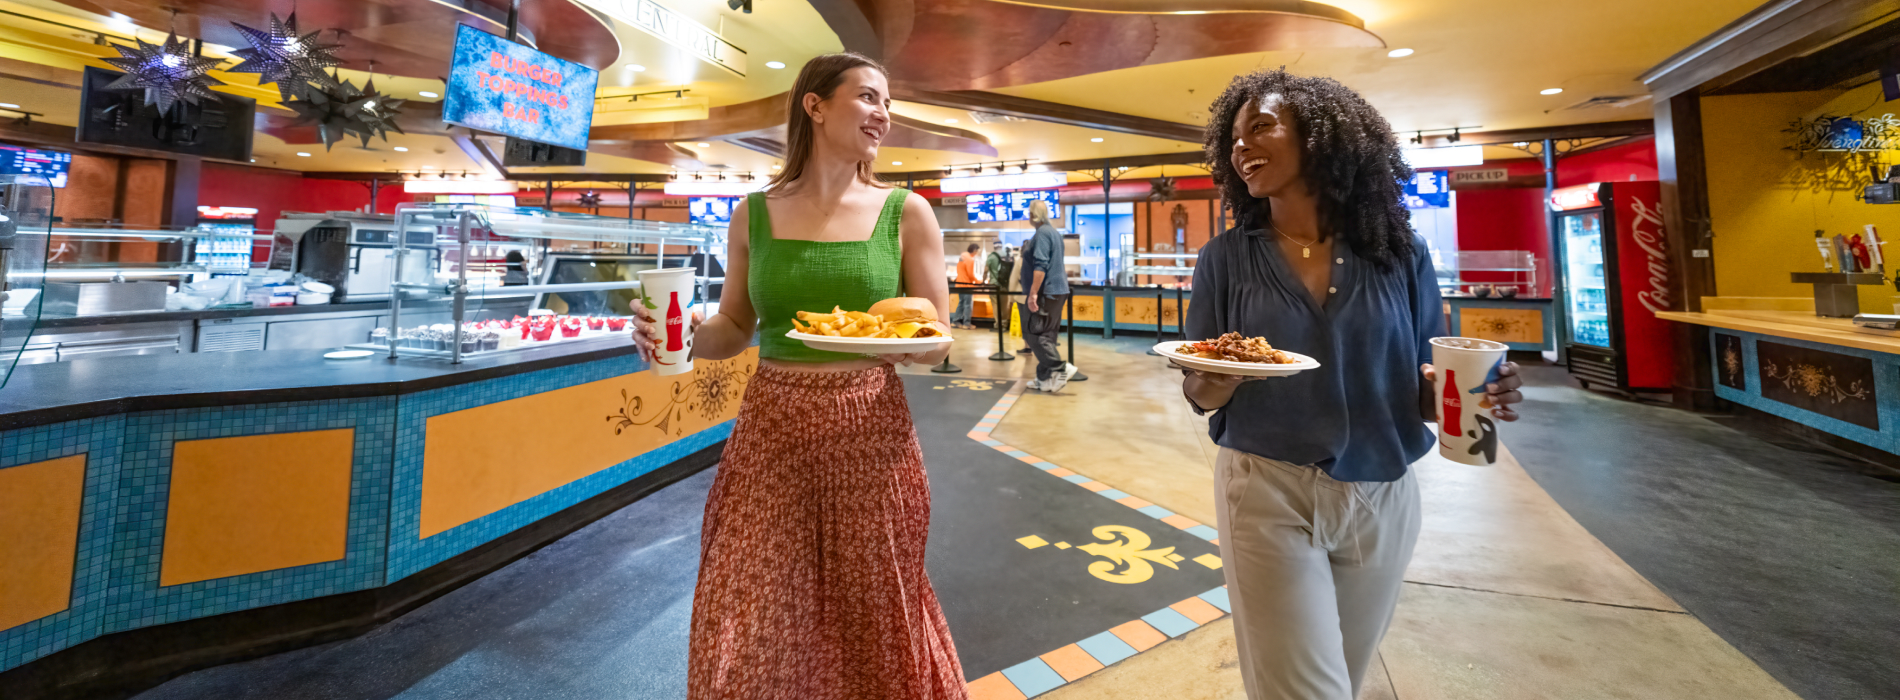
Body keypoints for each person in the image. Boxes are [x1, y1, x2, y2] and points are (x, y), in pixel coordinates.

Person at [630, 52, 967, 700]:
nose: (884, 115)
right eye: (868, 97)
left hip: (870, 437)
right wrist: (673, 335)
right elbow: (734, 328)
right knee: (752, 625)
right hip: (770, 442)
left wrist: (912, 349)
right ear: (814, 104)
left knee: (871, 624)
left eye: (887, 103)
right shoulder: (751, 212)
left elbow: (936, 339)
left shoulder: (908, 212)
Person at [1181, 69, 1525, 700]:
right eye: (1232, 137)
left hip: (1382, 492)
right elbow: (1202, 395)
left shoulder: (1400, 253)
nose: (1240, 146)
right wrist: (1215, 378)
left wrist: (1478, 393)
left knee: (1346, 674)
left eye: (1259, 126)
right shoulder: (1225, 258)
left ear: (1319, 136)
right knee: (1305, 690)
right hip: (1265, 487)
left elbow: (1423, 387)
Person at [1021, 199, 1075, 392]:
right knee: (1047, 334)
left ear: (1034, 214)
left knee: (1034, 334)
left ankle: (1060, 368)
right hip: (1059, 290)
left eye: (1029, 212)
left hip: (1047, 291)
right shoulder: (1054, 233)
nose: (1028, 215)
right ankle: (1044, 379)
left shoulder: (1042, 233)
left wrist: (1033, 293)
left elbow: (1041, 266)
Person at [951, 242, 981, 329]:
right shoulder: (970, 259)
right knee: (968, 304)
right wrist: (978, 281)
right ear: (974, 250)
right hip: (967, 285)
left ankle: (955, 321)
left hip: (959, 284)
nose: (977, 254)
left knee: (961, 303)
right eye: (977, 251)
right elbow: (970, 274)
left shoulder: (962, 257)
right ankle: (966, 323)